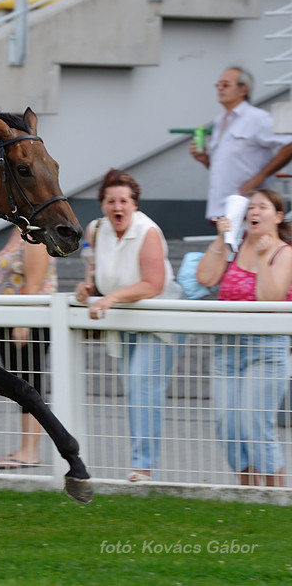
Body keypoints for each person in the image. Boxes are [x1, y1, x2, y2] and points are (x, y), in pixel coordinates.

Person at [74, 168, 181, 482]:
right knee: (134, 390)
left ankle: (144, 468)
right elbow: (95, 272)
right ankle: (143, 466)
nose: (117, 207)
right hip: (124, 321)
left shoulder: (148, 231)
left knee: (142, 386)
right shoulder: (96, 229)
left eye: (123, 201)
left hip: (158, 322)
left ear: (135, 204)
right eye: (111, 201)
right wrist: (89, 289)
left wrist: (110, 299)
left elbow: (153, 284)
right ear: (103, 205)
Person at [196, 188, 292, 487]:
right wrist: (220, 238)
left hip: (265, 349)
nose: (253, 212)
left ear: (277, 216)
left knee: (255, 423)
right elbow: (206, 278)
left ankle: (275, 497)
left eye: (262, 207)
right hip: (227, 348)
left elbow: (271, 298)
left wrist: (263, 257)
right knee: (228, 424)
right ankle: (248, 496)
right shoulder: (234, 246)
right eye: (250, 207)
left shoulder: (284, 252)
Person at [189, 66, 292, 223]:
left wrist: (260, 177)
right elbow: (224, 166)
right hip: (221, 209)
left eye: (226, 84)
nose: (220, 88)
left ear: (242, 90)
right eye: (218, 85)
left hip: (249, 208)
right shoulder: (219, 120)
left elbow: (289, 144)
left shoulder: (257, 118)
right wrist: (205, 159)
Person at [0, 227, 56, 469]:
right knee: (20, 384)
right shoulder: (14, 233)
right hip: (9, 320)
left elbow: (35, 281)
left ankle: (30, 451)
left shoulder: (34, 235)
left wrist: (23, 322)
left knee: (30, 383)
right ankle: (25, 448)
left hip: (27, 321)